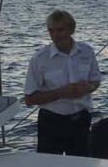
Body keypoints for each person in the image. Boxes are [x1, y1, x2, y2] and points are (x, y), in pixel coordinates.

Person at [24, 9, 101, 156]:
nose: (55, 35)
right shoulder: (40, 59)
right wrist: (60, 93)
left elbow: (95, 80)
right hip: (51, 122)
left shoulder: (86, 52)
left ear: (71, 29)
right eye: (51, 31)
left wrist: (88, 88)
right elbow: (29, 99)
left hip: (80, 120)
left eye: (60, 30)